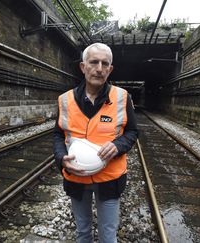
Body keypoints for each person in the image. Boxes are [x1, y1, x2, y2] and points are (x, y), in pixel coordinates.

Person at [53, 42, 138, 243]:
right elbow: (58, 135)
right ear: (83, 67)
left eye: (104, 63)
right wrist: (60, 157)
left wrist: (118, 146)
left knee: (108, 234)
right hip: (76, 179)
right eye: (93, 62)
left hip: (110, 179)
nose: (99, 68)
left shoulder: (122, 97)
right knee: (82, 231)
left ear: (110, 69)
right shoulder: (64, 100)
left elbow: (133, 131)